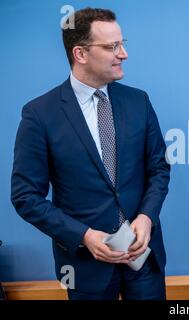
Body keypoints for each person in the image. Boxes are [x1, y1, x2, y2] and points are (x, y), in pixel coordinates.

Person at [11, 7, 170, 300]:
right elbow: (25, 197)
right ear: (80, 54)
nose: (124, 54)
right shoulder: (40, 114)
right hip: (85, 268)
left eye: (123, 44)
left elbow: (159, 168)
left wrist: (147, 216)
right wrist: (84, 235)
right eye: (112, 46)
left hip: (143, 260)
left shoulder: (139, 102)